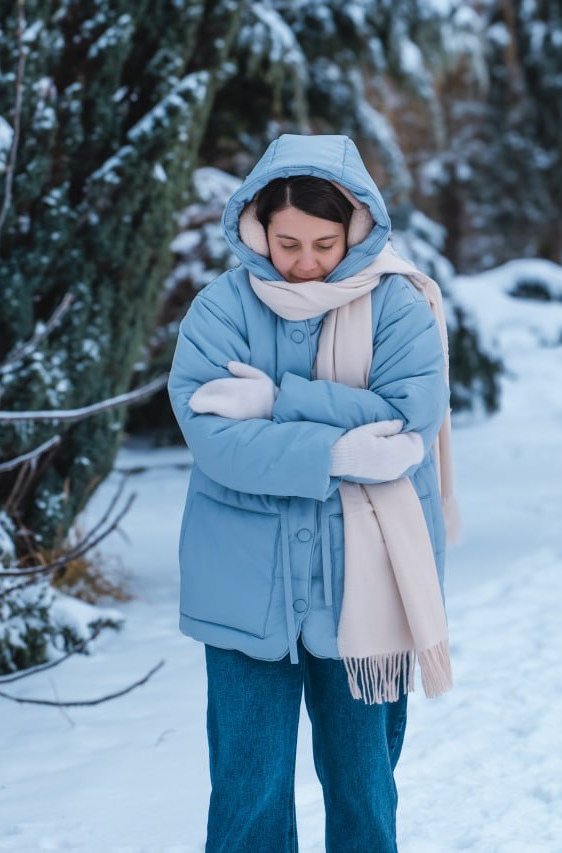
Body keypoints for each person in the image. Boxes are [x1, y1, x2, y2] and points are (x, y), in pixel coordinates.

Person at [167, 133, 458, 853]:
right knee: (248, 796)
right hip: (243, 594)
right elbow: (215, 441)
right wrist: (335, 448)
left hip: (370, 592)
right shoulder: (220, 307)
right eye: (286, 241)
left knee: (363, 793)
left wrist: (276, 402)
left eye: (323, 243)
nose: (303, 262)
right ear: (256, 225)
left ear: (355, 229)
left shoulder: (400, 306)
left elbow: (405, 422)